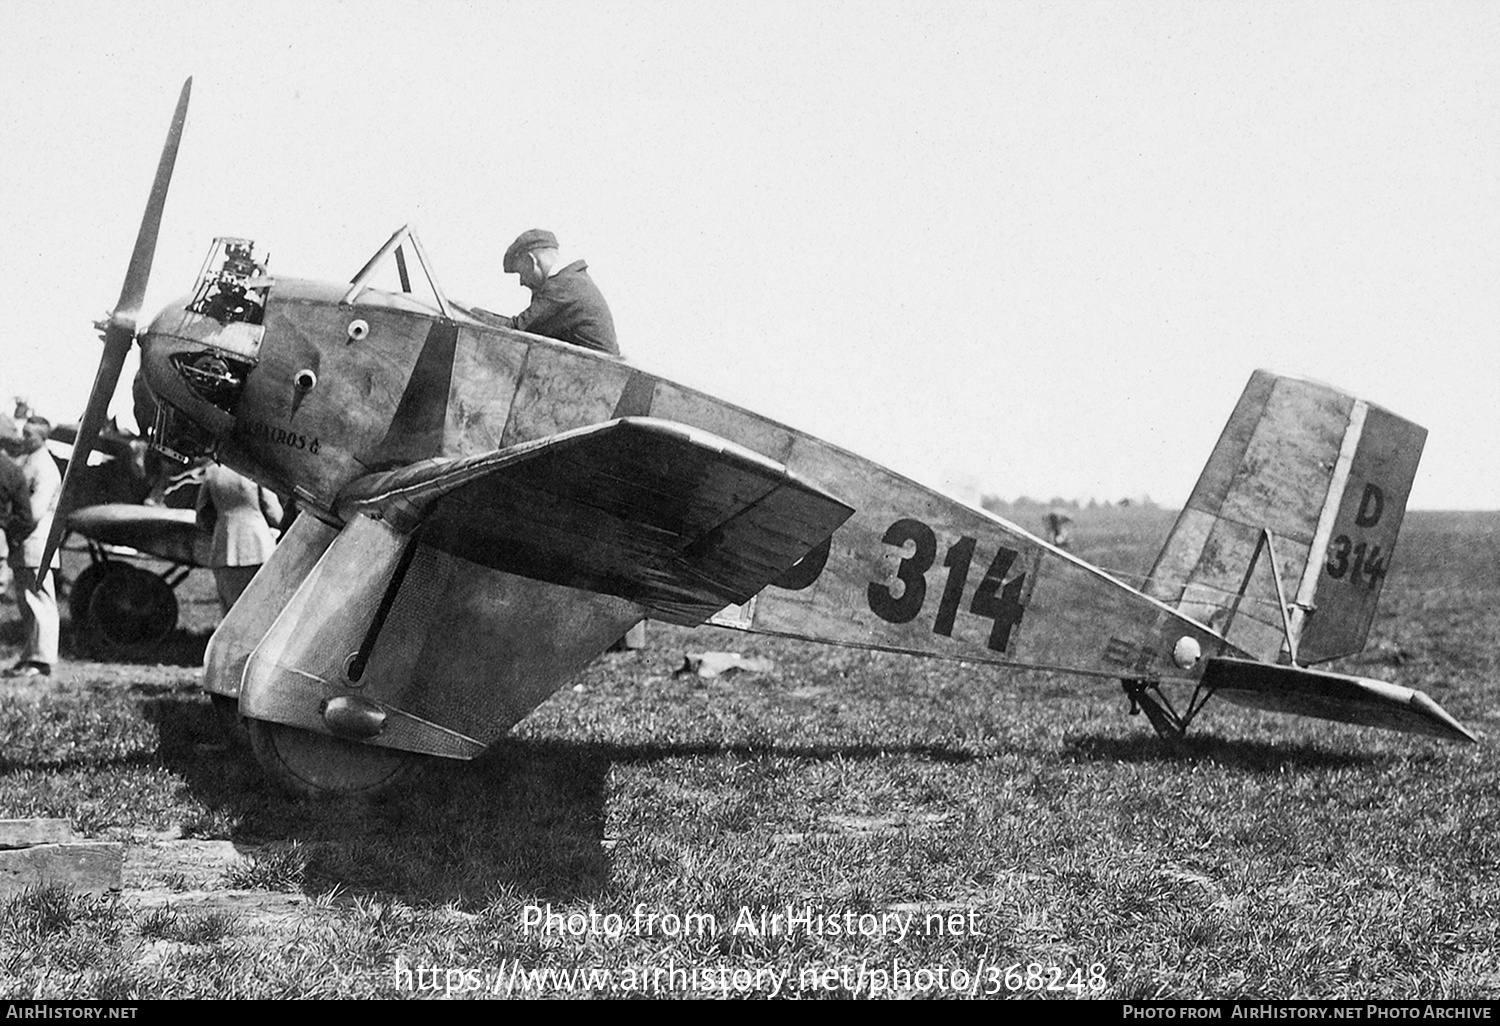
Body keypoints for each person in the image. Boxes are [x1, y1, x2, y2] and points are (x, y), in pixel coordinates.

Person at [483, 229, 619, 355]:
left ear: (531, 262)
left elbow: (516, 330)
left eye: (521, 273)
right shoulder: (573, 279)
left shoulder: (563, 286)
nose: (522, 282)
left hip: (594, 375)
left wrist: (467, 312)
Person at [3, 415, 60, 677]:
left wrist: (10, 527)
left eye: (30, 435)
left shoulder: (44, 467)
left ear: (43, 438)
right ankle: (31, 655)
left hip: (36, 540)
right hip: (25, 540)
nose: (24, 438)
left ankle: (42, 659)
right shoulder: (30, 462)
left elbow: (34, 512)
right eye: (24, 433)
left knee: (39, 600)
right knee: (28, 600)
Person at [195, 462, 284, 614]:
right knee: (263, 607)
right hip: (259, 545)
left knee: (232, 609)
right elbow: (273, 510)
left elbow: (202, 513)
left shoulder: (212, 470)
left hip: (224, 547)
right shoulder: (256, 468)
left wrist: (218, 528)